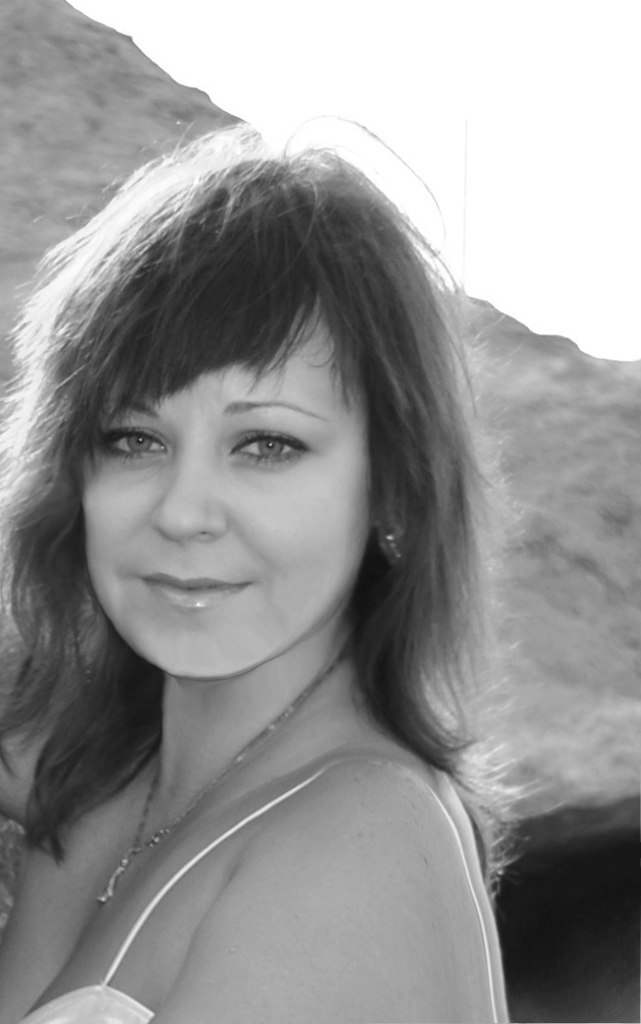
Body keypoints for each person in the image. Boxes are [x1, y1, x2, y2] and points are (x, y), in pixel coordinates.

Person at [0, 123, 510, 1023]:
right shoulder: (98, 790)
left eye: (266, 444)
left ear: (393, 487)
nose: (182, 510)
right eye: (133, 439)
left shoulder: (357, 844)